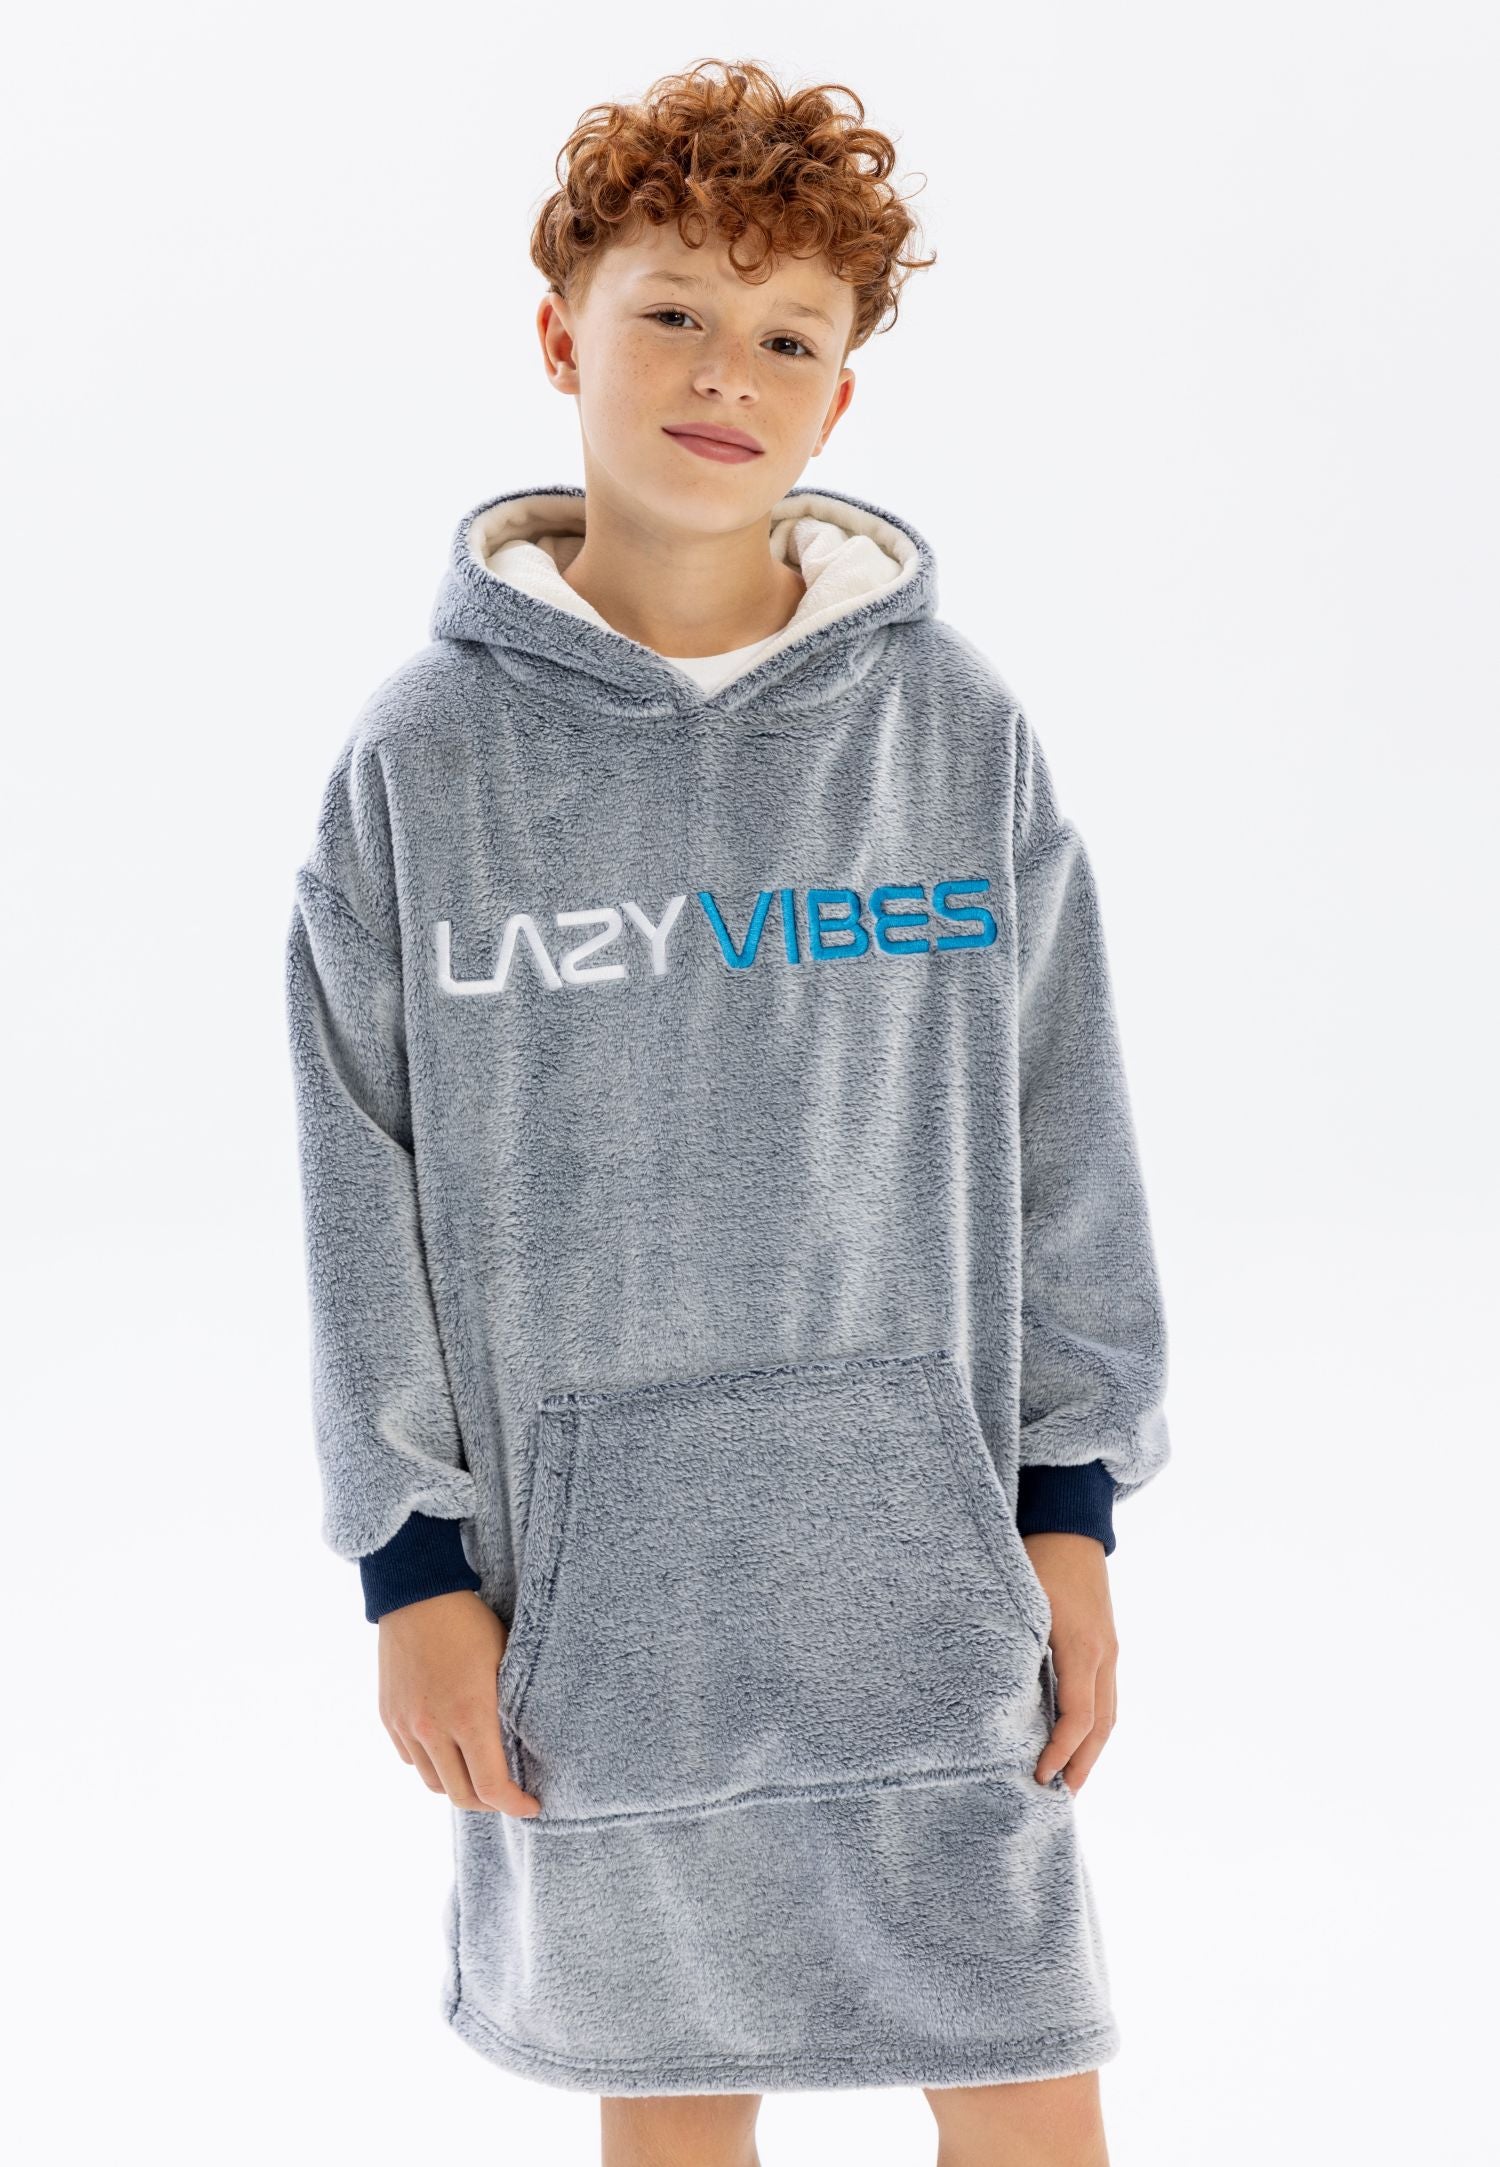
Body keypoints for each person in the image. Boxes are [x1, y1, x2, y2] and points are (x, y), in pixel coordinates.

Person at [284, 55, 1171, 2167]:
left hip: (926, 1585)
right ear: (558, 333)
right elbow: (354, 1179)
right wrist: (411, 1565)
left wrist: (1069, 1509)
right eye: (672, 308)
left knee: (1029, 2090)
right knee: (674, 2114)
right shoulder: (423, 765)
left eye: (787, 337)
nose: (722, 372)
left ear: (840, 397)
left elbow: (1067, 1131)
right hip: (596, 1611)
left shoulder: (952, 732)